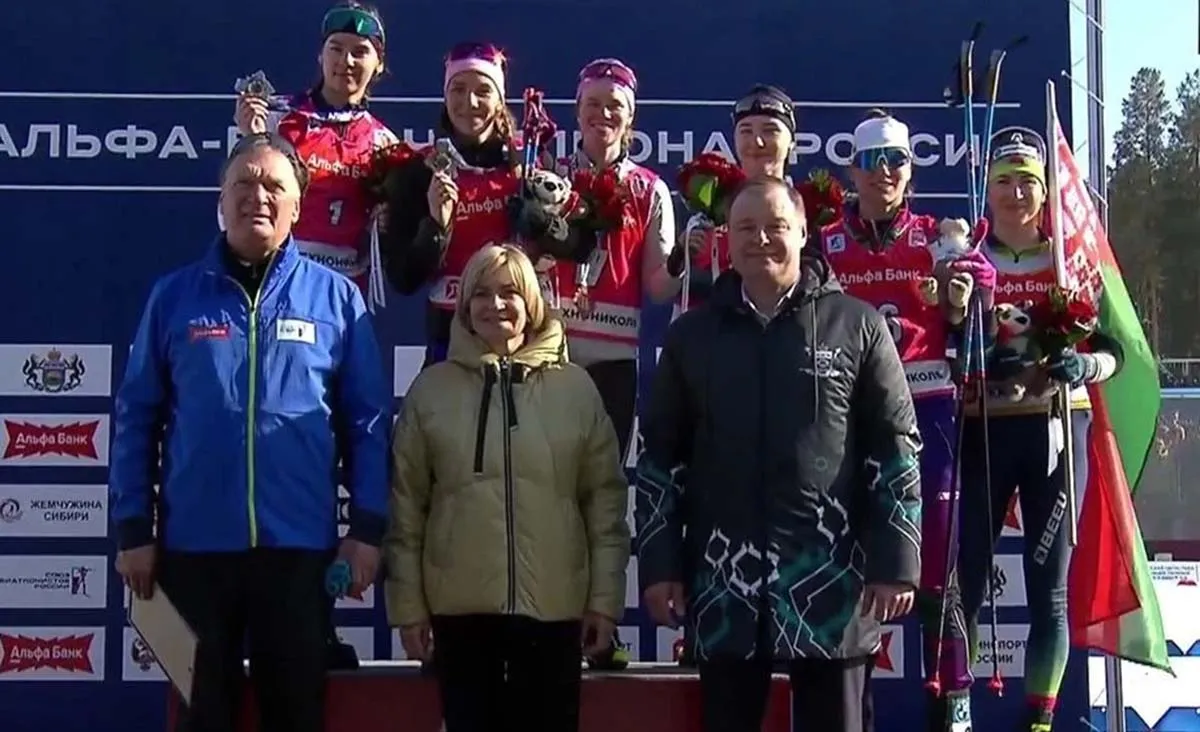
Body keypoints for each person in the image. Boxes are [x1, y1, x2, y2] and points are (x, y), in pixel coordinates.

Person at [109, 132, 390, 732]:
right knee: (200, 716)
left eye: (273, 186)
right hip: (193, 553)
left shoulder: (337, 299)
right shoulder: (174, 296)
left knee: (295, 715)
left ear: (297, 206)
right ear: (220, 200)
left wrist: (367, 530)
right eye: (243, 183)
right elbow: (137, 416)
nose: (257, 197)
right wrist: (133, 527)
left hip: (298, 554)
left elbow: (367, 424)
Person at [635, 176, 921, 732]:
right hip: (725, 587)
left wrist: (897, 563)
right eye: (745, 227)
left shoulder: (857, 324)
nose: (760, 239)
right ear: (727, 236)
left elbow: (896, 449)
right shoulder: (692, 336)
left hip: (832, 585)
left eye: (775, 226)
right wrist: (660, 565)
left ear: (803, 233)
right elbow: (660, 460)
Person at [384, 244, 630, 732]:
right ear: (464, 305)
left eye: (509, 293)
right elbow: (406, 510)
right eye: (481, 294)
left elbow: (604, 506)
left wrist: (603, 602)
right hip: (461, 619)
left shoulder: (576, 390)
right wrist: (409, 609)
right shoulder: (430, 392)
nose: (495, 305)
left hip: (554, 617)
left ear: (532, 303)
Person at [818, 110, 996, 731]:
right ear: (853, 170)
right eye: (873, 161)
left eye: (896, 160)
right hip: (853, 417)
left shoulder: (937, 240)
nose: (885, 172)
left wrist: (976, 295)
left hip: (929, 410)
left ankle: (954, 711)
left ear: (910, 171)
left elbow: (976, 331)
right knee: (852, 565)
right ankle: (852, 712)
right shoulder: (825, 243)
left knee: (938, 566)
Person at [957, 127, 1121, 732]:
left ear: (1046, 192)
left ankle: (1041, 722)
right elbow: (936, 339)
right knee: (966, 582)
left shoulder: (1070, 258)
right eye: (1004, 182)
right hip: (984, 430)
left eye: (1028, 182)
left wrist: (1083, 365)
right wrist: (974, 358)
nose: (1016, 194)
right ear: (988, 191)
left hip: (1054, 431)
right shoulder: (968, 257)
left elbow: (1117, 351)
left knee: (1048, 587)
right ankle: (956, 711)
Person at [379, 43, 573, 366]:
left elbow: (574, 246)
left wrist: (541, 223)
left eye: (483, 91)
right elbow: (403, 279)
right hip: (450, 340)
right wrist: (436, 227)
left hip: (521, 337)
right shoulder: (421, 170)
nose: (469, 102)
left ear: (500, 99)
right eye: (458, 89)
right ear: (445, 96)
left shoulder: (529, 162)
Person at [541, 56, 680, 462]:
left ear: (630, 116)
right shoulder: (551, 177)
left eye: (615, 105)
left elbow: (659, 288)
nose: (602, 114)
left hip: (614, 359)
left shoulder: (649, 189)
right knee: (543, 478)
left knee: (604, 483)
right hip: (551, 351)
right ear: (577, 110)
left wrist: (683, 259)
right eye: (593, 103)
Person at [232, 1, 397, 310]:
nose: (346, 61)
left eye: (360, 51)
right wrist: (251, 141)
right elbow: (234, 207)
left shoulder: (384, 143)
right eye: (336, 48)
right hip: (280, 280)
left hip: (344, 290)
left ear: (378, 64)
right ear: (321, 54)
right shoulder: (276, 119)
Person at [670, 84, 796, 315]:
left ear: (792, 144)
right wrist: (680, 255)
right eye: (746, 131)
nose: (757, 142)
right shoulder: (700, 207)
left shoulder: (809, 211)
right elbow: (664, 289)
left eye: (770, 131)